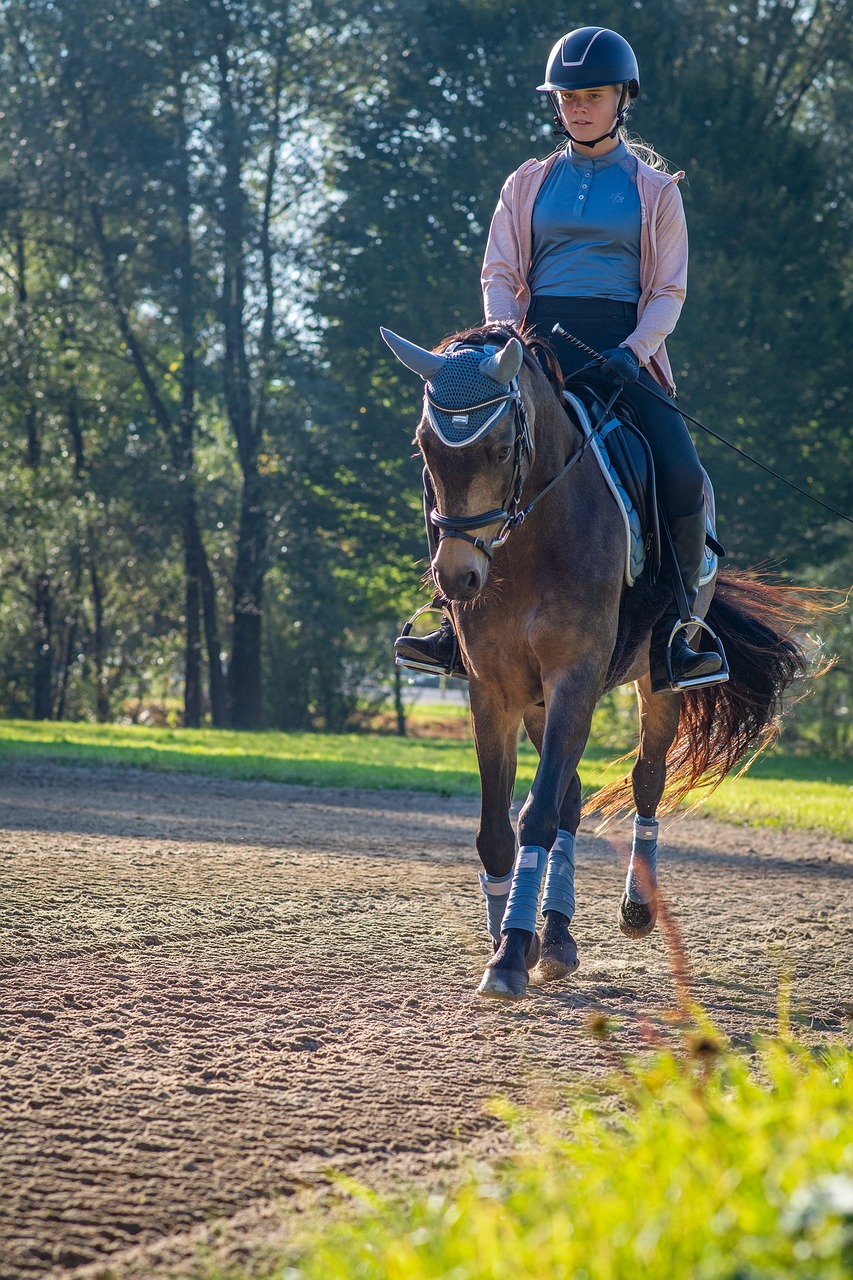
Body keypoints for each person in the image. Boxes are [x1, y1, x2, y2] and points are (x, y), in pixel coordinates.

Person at [395, 25, 727, 694]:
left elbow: (667, 292)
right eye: (567, 97)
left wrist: (632, 353)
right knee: (455, 448)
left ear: (621, 99)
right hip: (527, 352)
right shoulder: (527, 182)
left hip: (622, 358)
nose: (577, 108)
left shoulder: (655, 191)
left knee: (684, 478)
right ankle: (448, 617)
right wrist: (501, 337)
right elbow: (499, 269)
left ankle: (675, 637)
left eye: (593, 96)